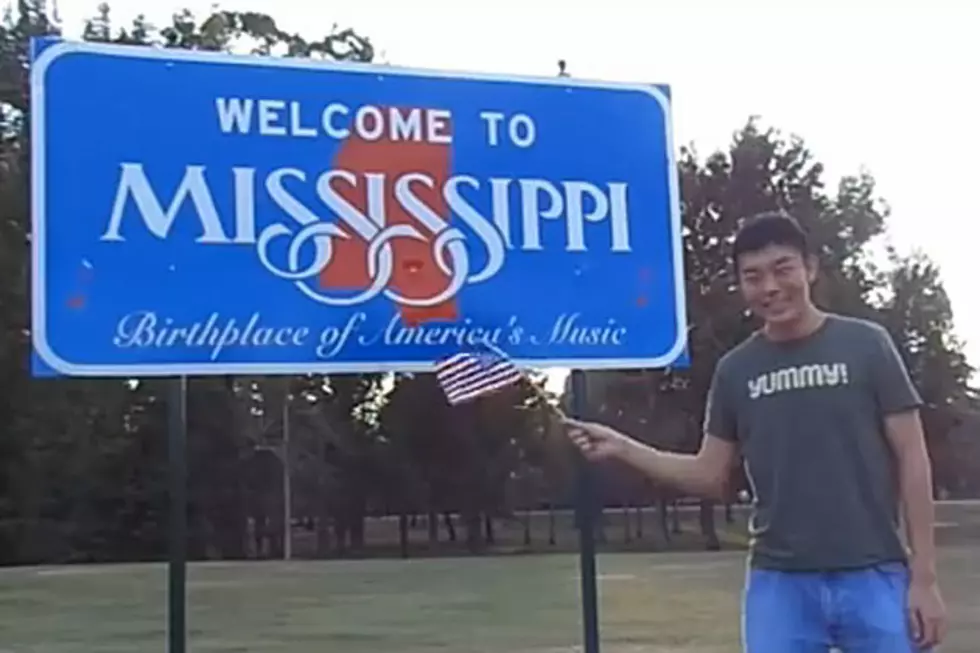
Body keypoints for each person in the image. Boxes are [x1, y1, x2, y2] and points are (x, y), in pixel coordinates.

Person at [565, 212, 947, 652]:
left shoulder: (867, 345)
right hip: (779, 584)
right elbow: (709, 474)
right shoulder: (735, 371)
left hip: (874, 574)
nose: (769, 287)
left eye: (783, 269)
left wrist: (925, 578)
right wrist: (623, 447)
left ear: (811, 268)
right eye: (753, 277)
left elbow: (913, 458)